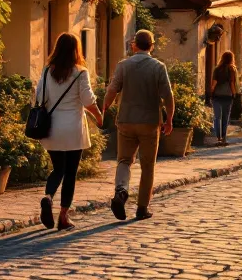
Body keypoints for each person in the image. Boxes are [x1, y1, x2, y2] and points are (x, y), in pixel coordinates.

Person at [101, 29, 174, 221]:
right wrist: (169, 120)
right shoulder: (158, 67)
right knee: (147, 166)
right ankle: (142, 208)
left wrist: (104, 108)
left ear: (134, 45)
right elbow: (168, 96)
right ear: (152, 46)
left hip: (126, 120)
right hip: (149, 122)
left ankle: (121, 191)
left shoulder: (123, 66)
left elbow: (112, 89)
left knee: (124, 160)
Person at [34, 33, 103, 231]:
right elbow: (88, 100)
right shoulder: (80, 72)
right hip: (73, 129)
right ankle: (63, 217)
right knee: (70, 173)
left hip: (52, 128)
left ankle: (48, 196)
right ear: (76, 50)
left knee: (58, 169)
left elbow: (39, 96)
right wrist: (99, 117)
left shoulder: (48, 71)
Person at [209, 51, 239, 146]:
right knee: (225, 117)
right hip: (228, 96)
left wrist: (211, 92)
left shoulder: (217, 69)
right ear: (231, 59)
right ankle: (224, 138)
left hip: (217, 96)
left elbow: (214, 83)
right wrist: (234, 94)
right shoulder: (232, 69)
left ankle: (218, 137)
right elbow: (232, 83)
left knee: (217, 117)